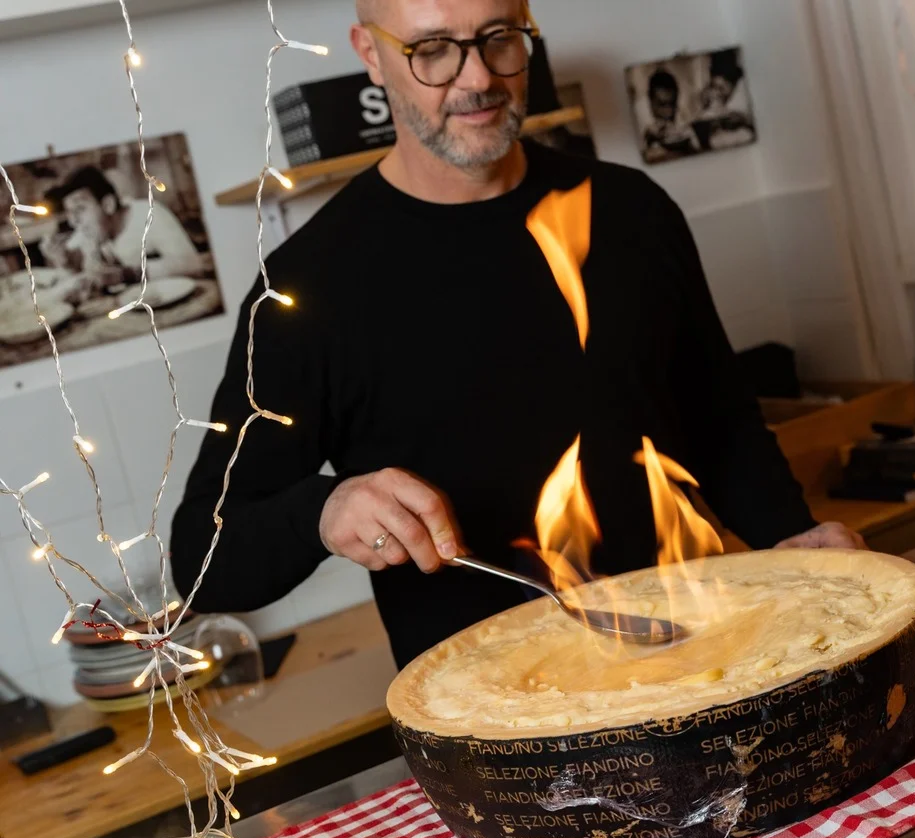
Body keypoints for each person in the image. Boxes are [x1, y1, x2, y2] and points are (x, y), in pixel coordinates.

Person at [170, 0, 865, 671]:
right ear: (370, 55)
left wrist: (794, 540)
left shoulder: (633, 212)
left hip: (699, 655)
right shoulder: (305, 290)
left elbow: (722, 424)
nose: (477, 79)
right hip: (498, 732)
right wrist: (325, 508)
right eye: (432, 50)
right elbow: (202, 561)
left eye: (499, 36)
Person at [40, 166, 205, 289]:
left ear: (108, 205)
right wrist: (66, 261)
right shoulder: (86, 229)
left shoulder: (149, 214)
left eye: (80, 209)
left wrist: (127, 274)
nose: (73, 221)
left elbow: (194, 264)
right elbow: (74, 264)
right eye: (69, 213)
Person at [642, 68, 700, 162]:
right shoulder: (644, 127)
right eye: (662, 104)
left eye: (672, 104)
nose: (668, 112)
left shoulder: (685, 129)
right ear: (651, 102)